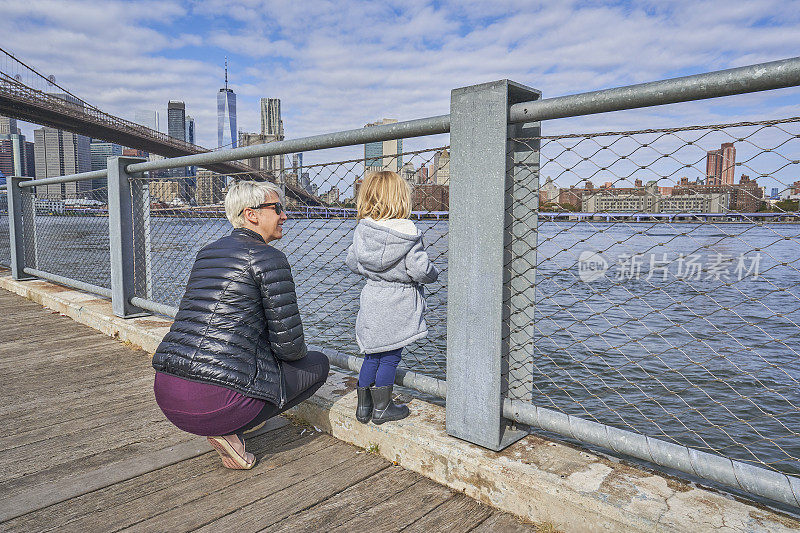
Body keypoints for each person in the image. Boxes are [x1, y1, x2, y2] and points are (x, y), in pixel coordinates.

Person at [152, 180, 329, 469]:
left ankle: (234, 418)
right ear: (252, 214)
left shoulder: (207, 252)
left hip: (167, 392)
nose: (285, 215)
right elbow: (291, 348)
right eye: (278, 208)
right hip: (212, 404)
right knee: (318, 365)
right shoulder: (270, 258)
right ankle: (231, 429)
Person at [346, 170, 439, 425]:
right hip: (398, 302)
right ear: (401, 198)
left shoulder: (362, 231)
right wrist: (434, 274)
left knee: (372, 354)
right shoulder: (408, 234)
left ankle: (363, 408)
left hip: (373, 298)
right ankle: (383, 408)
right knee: (390, 356)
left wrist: (373, 272)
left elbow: (352, 262)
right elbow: (420, 270)